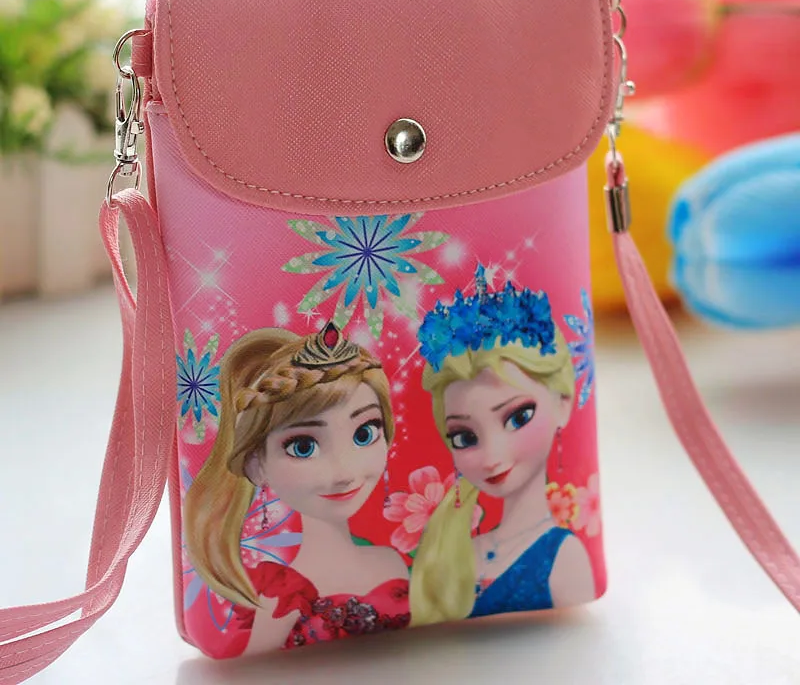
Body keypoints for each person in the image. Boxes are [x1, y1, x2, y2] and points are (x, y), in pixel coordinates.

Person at [184, 322, 410, 652]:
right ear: (256, 464)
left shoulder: (392, 560)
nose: (343, 472)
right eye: (303, 446)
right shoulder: (283, 598)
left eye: (365, 434)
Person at [410, 265, 595, 625]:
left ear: (563, 403)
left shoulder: (564, 557)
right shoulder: (457, 549)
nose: (492, 458)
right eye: (465, 438)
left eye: (518, 417)